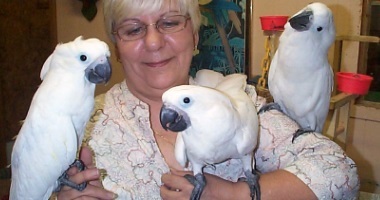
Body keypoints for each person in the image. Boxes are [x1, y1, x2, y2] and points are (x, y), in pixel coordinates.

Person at [55, 0, 360, 199]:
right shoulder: (79, 126)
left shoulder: (239, 102)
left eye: (170, 23)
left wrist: (234, 195)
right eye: (133, 30)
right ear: (116, 48)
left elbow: (339, 172)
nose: (153, 42)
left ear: (196, 36)